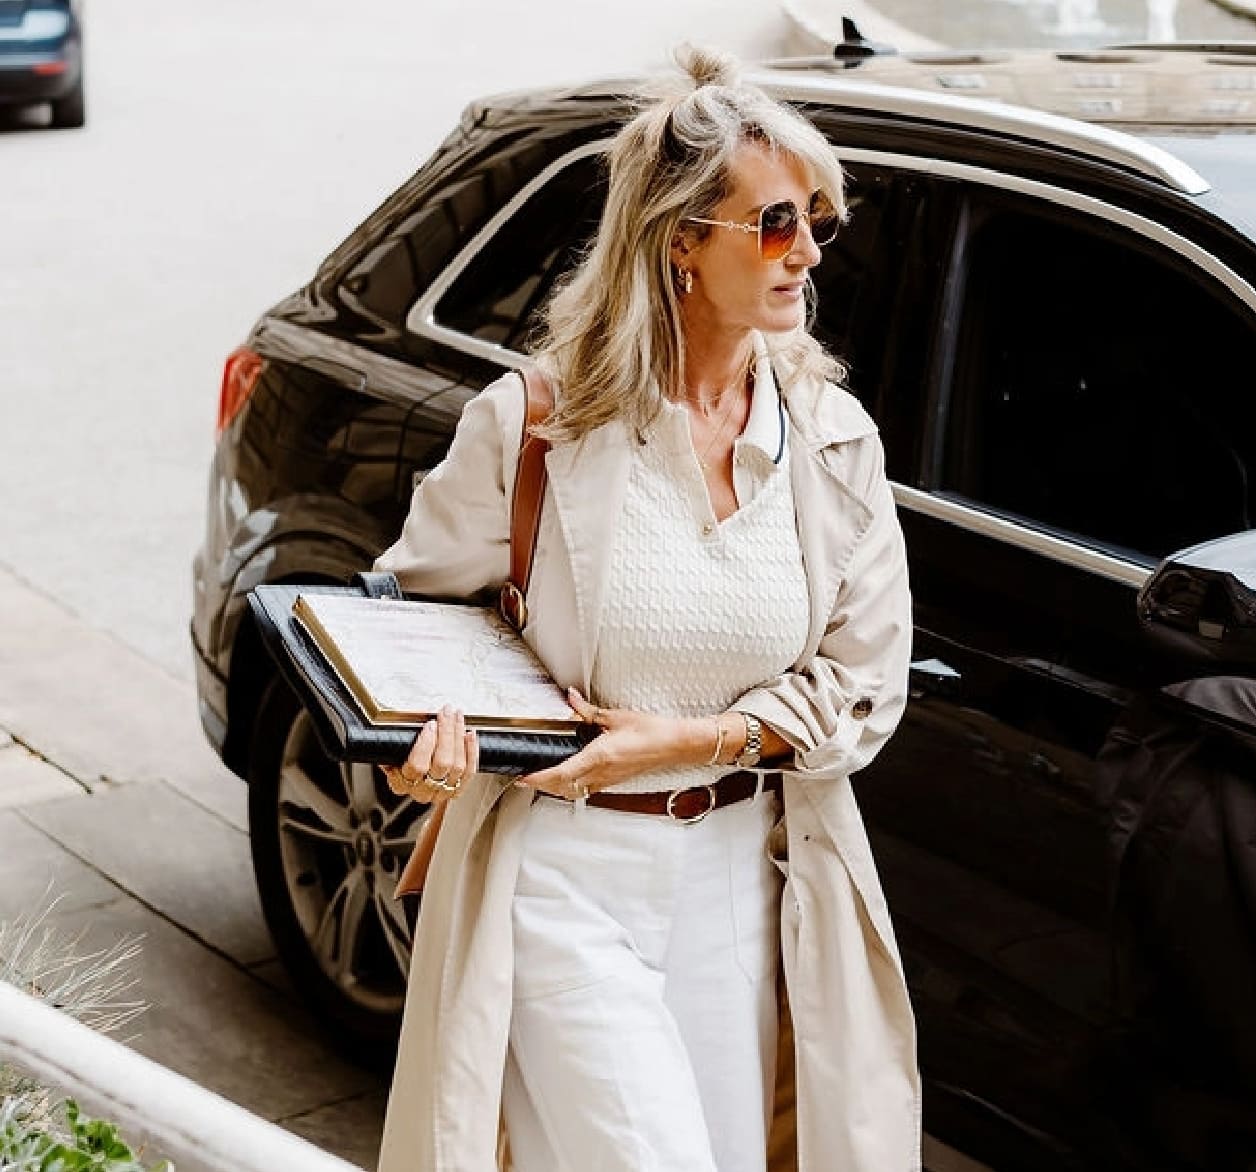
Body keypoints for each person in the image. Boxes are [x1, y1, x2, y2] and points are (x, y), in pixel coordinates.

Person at [369, 45, 920, 1172]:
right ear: (678, 240)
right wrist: (421, 749)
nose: (807, 250)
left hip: (740, 869)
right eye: (772, 223)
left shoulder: (830, 439)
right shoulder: (534, 429)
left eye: (815, 218)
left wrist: (691, 738)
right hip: (564, 874)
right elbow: (410, 634)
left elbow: (864, 685)